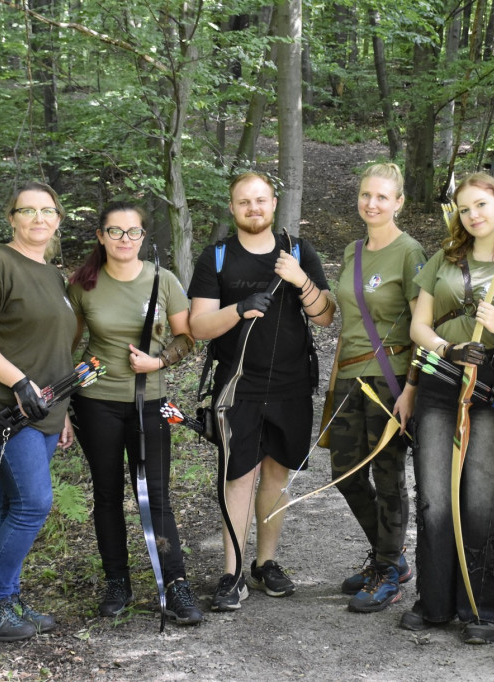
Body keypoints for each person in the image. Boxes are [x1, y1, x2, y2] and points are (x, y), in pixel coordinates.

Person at [189, 172, 334, 611]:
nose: (253, 208)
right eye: (243, 202)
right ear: (232, 208)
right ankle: (232, 574)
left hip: (291, 385)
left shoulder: (298, 250)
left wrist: (300, 280)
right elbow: (198, 327)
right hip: (238, 388)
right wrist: (238, 308)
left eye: (260, 200)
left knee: (275, 475)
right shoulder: (215, 258)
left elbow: (326, 316)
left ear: (274, 204)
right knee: (239, 477)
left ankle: (265, 563)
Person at [405, 172, 494, 643]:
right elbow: (418, 326)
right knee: (435, 496)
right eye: (465, 208)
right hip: (441, 380)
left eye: (482, 204)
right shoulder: (444, 258)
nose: (474, 215)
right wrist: (446, 347)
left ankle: (484, 609)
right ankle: (434, 601)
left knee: (484, 498)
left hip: (492, 386)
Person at [67, 201, 202, 625]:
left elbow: (186, 338)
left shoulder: (163, 280)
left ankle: (175, 585)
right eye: (115, 231)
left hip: (151, 401)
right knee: (107, 494)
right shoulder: (84, 284)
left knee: (155, 496)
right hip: (95, 402)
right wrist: (60, 406)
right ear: (100, 236)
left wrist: (158, 362)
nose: (125, 240)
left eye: (133, 232)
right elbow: (67, 347)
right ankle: (117, 582)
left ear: (144, 237)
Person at [0, 181, 77, 642]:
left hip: (44, 411)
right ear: (12, 218)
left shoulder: (52, 275)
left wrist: (62, 412)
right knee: (33, 503)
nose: (39, 219)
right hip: (5, 409)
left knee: (11, 504)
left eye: (48, 211)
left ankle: (6, 598)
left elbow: (52, 350)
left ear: (58, 219)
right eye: (28, 210)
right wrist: (19, 382)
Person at [328, 162, 425, 614]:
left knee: (387, 474)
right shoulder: (353, 251)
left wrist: (410, 388)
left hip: (390, 379)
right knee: (345, 473)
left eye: (382, 197)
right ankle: (393, 556)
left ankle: (387, 569)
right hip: (348, 376)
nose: (372, 204)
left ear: (399, 202)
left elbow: (423, 325)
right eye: (366, 195)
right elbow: (342, 315)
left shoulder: (410, 253)